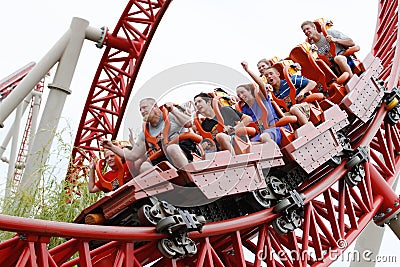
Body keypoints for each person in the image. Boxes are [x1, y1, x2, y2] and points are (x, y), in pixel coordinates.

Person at [102, 97, 197, 172]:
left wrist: (173, 109)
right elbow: (133, 155)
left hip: (186, 150)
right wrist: (111, 147)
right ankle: (167, 191)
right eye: (140, 110)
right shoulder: (145, 132)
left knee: (172, 148)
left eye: (144, 107)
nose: (142, 112)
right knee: (144, 166)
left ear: (155, 106)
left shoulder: (170, 114)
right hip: (164, 156)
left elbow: (188, 123)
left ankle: (190, 176)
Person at [238, 61, 289, 146]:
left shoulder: (261, 98)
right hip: (261, 133)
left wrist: (247, 70)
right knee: (247, 146)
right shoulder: (244, 110)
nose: (240, 96)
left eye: (242, 92)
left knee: (264, 137)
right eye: (238, 95)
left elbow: (261, 84)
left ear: (250, 92)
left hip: (276, 128)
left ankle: (278, 155)